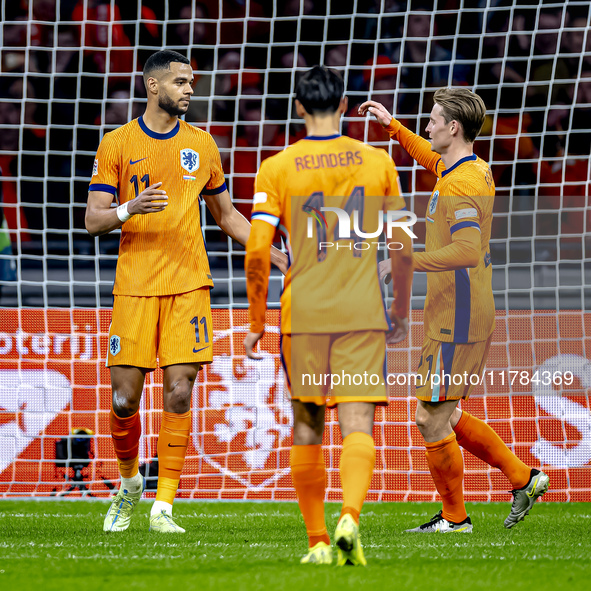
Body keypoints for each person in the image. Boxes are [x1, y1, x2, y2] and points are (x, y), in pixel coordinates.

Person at [85, 49, 287, 533]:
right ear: (153, 87)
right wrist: (130, 208)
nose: (190, 89)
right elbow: (93, 220)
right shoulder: (117, 144)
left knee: (180, 391)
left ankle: (164, 507)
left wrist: (273, 253)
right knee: (123, 402)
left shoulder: (203, 144)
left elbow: (229, 216)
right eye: (180, 82)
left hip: (189, 285)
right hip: (134, 286)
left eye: (192, 81)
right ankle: (131, 483)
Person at [243, 66, 413, 565]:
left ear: (299, 108)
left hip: (305, 316)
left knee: (308, 427)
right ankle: (351, 517)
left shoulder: (277, 166)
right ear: (343, 106)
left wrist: (256, 321)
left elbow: (257, 250)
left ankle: (318, 542)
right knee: (357, 424)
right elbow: (401, 244)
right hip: (362, 312)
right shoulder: (376, 162)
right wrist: (399, 307)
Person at [359, 88, 549, 532]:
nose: (427, 126)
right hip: (457, 311)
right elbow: (430, 156)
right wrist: (394, 127)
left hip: (459, 318)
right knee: (446, 412)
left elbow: (465, 249)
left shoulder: (462, 183)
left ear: (453, 127)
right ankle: (523, 477)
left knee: (429, 417)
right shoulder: (466, 167)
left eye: (432, 119)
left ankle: (455, 517)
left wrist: (403, 261)